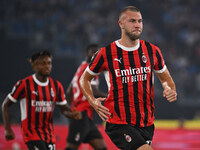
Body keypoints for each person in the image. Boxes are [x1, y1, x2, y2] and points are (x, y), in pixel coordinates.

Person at [79, 6, 177, 150]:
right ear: (121, 24)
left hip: (146, 122)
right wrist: (92, 101)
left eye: (140, 21)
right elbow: (84, 79)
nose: (137, 25)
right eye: (132, 21)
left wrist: (169, 89)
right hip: (118, 122)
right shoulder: (106, 53)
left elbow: (166, 79)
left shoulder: (152, 51)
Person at [2, 50, 82, 150]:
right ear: (35, 66)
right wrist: (7, 129)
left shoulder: (56, 86)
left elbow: (64, 109)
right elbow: (5, 104)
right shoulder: (24, 84)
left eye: (49, 63)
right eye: (43, 63)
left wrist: (72, 114)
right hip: (31, 133)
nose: (47, 66)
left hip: (49, 134)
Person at [65, 44, 107, 150]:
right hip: (81, 114)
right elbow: (94, 91)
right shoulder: (89, 69)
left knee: (102, 147)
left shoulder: (81, 67)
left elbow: (69, 91)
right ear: (86, 54)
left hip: (86, 115)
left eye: (96, 53)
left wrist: (72, 106)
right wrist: (112, 97)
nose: (94, 55)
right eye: (92, 53)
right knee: (71, 148)